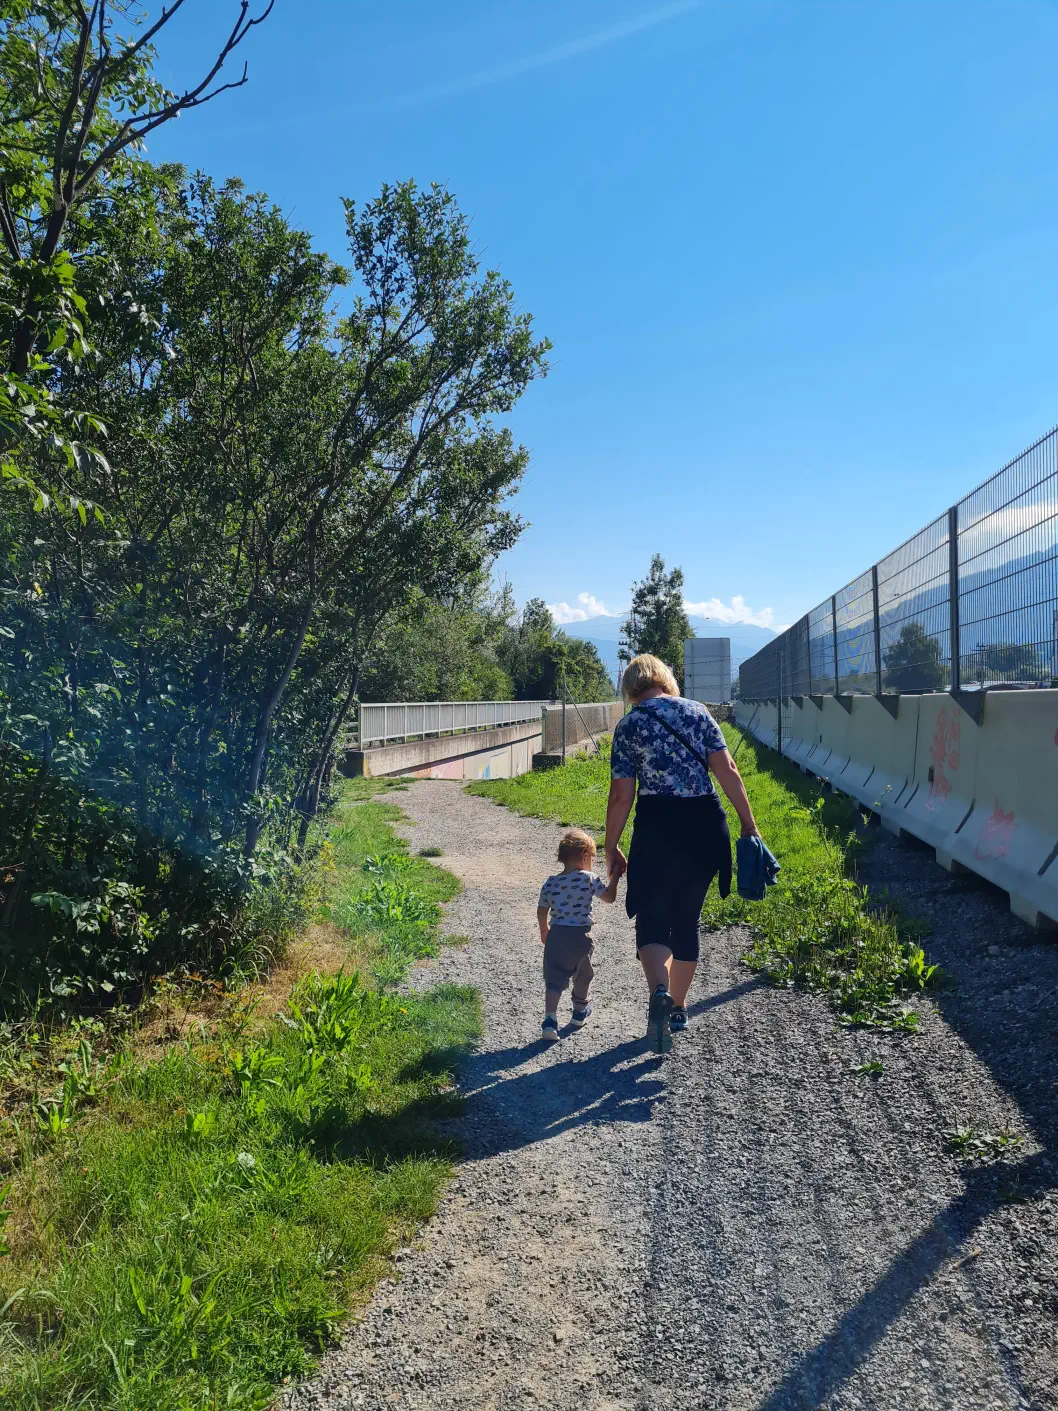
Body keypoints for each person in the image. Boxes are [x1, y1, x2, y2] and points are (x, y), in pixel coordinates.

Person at [604, 653, 761, 1052]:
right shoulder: (698, 713)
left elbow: (622, 795)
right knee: (687, 918)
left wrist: (611, 845)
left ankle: (658, 991)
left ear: (631, 688)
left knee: (652, 917)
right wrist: (748, 823)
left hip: (657, 826)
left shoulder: (629, 725)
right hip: (704, 824)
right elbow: (728, 770)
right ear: (664, 679)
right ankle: (677, 1007)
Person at [537, 828, 625, 1041]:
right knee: (583, 975)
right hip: (580, 938)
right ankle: (579, 1012)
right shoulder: (589, 878)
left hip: (556, 936)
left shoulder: (551, 882)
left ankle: (550, 1020)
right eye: (592, 859)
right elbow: (610, 898)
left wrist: (544, 930)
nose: (592, 863)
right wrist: (615, 877)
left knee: (554, 978)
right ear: (585, 856)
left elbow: (542, 909)